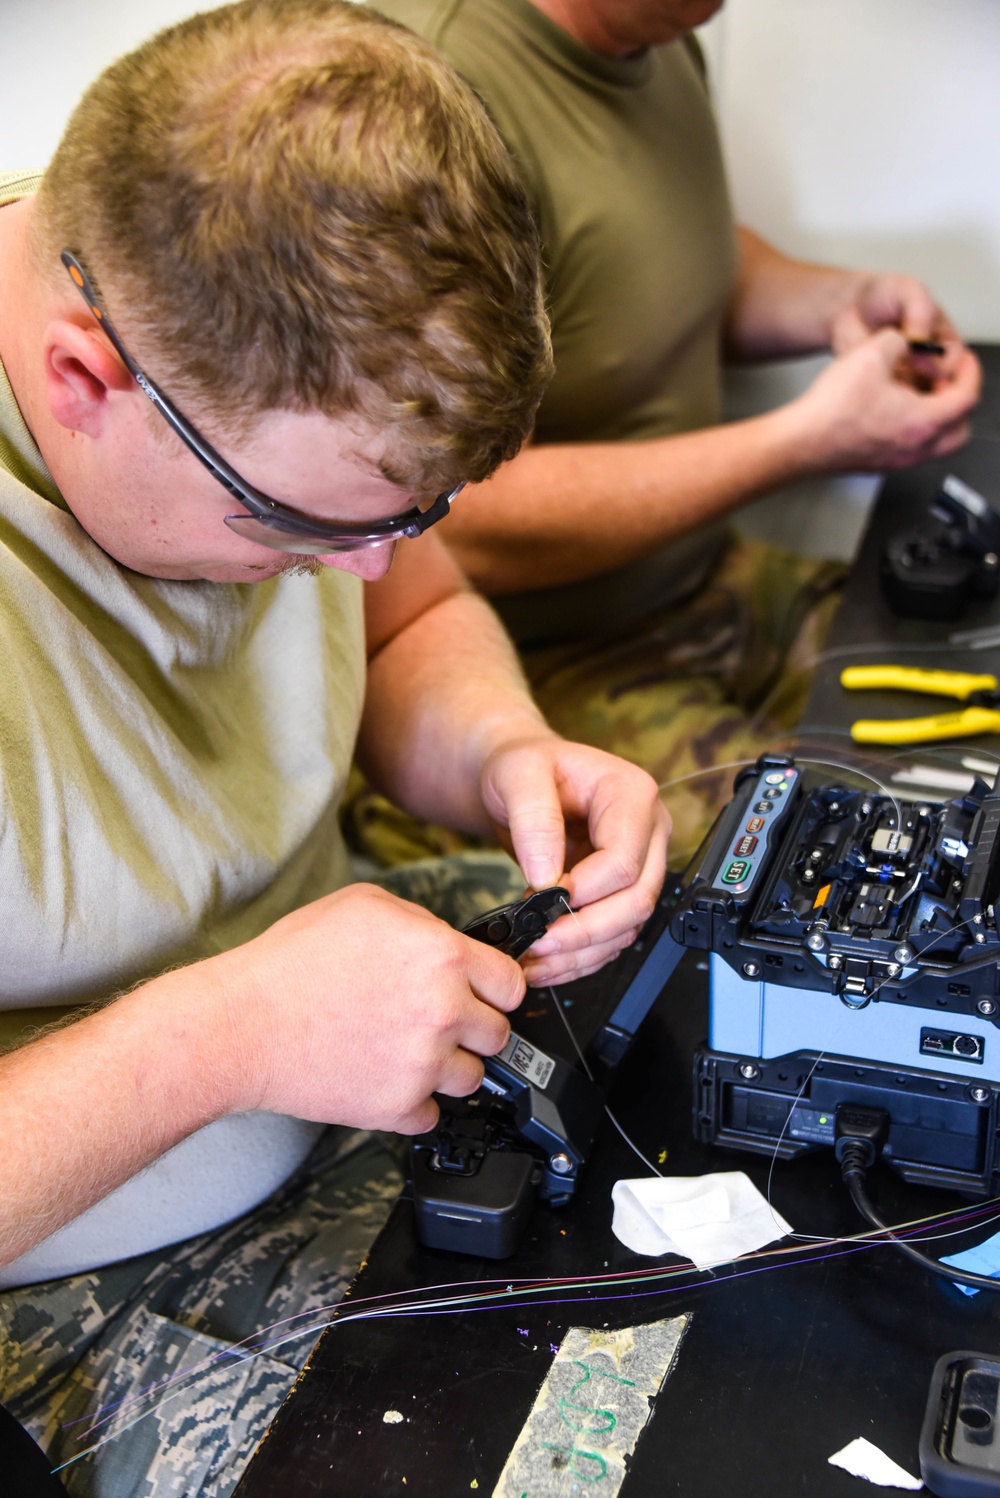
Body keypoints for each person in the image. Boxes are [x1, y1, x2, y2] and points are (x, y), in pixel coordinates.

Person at [0, 4, 668, 1494]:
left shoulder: (243, 383)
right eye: (305, 527)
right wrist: (230, 1034)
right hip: (70, 1288)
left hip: (352, 1042)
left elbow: (405, 618)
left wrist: (503, 747)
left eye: (409, 511)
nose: (369, 569)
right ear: (84, 380)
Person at [365, 0, 983, 867]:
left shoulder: (659, 34)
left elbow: (653, 267)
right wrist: (806, 440)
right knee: (832, 872)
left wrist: (840, 303)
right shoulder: (434, 102)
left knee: (964, 717)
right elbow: (446, 518)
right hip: (544, 661)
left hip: (707, 579)